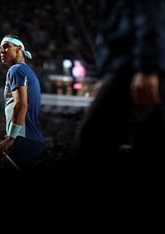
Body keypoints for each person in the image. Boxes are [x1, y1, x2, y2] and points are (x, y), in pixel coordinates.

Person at [70, 0, 165, 172]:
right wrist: (107, 75)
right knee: (150, 143)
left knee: (93, 139)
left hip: (133, 67)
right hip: (133, 65)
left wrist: (147, 68)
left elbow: (149, 12)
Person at [0, 34, 45, 171]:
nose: (1, 51)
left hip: (22, 139)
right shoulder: (29, 72)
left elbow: (21, 104)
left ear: (18, 49)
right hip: (30, 139)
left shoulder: (15, 70)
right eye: (0, 49)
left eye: (6, 47)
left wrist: (11, 138)